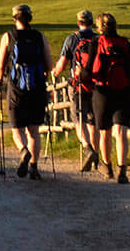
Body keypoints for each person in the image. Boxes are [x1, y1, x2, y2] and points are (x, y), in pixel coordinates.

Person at [0, 3, 49, 179]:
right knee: (34, 130)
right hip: (37, 86)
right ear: (30, 17)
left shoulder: (9, 36)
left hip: (17, 87)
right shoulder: (40, 36)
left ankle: (23, 151)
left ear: (15, 18)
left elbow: (1, 63)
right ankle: (34, 167)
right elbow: (49, 64)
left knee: (16, 127)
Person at [85, 11, 130, 183]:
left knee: (104, 132)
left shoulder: (96, 42)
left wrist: (81, 75)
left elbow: (88, 69)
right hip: (123, 92)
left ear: (99, 27)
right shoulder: (124, 43)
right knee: (121, 131)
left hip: (102, 92)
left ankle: (107, 166)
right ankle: (122, 170)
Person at [51, 9, 101, 171]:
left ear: (78, 22)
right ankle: (96, 156)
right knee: (94, 121)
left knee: (79, 119)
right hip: (96, 86)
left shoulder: (72, 39)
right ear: (92, 22)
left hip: (78, 85)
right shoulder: (98, 39)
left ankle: (88, 149)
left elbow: (62, 63)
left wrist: (55, 73)